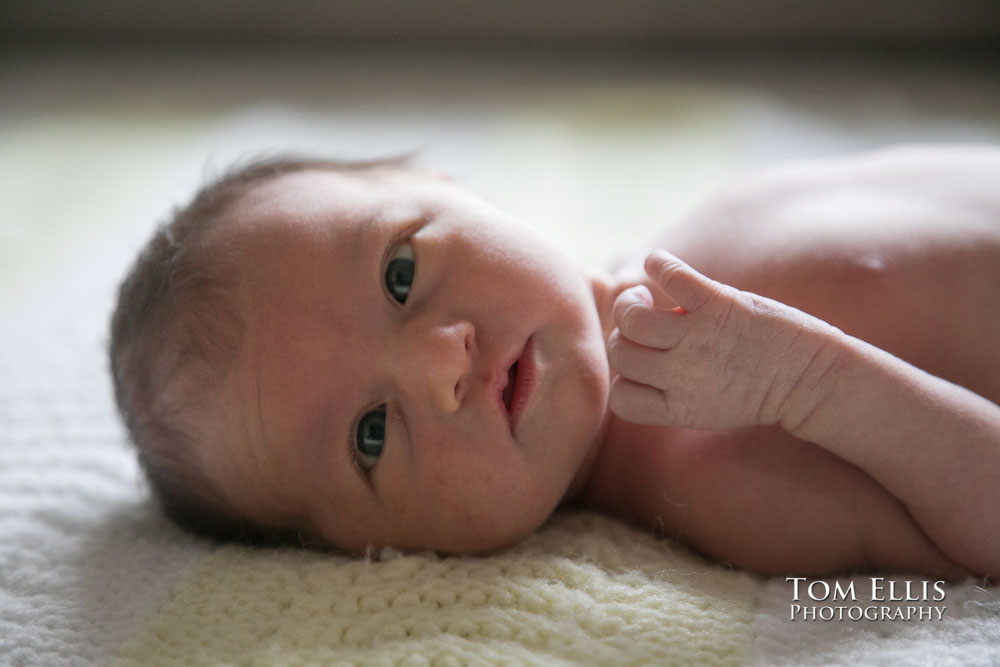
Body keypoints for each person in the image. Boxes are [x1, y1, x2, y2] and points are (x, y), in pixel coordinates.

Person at [110, 145, 1000, 580]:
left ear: (449, 183)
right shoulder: (717, 479)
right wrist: (810, 384)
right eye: (370, 435)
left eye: (400, 270)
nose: (438, 366)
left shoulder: (695, 230)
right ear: (375, 551)